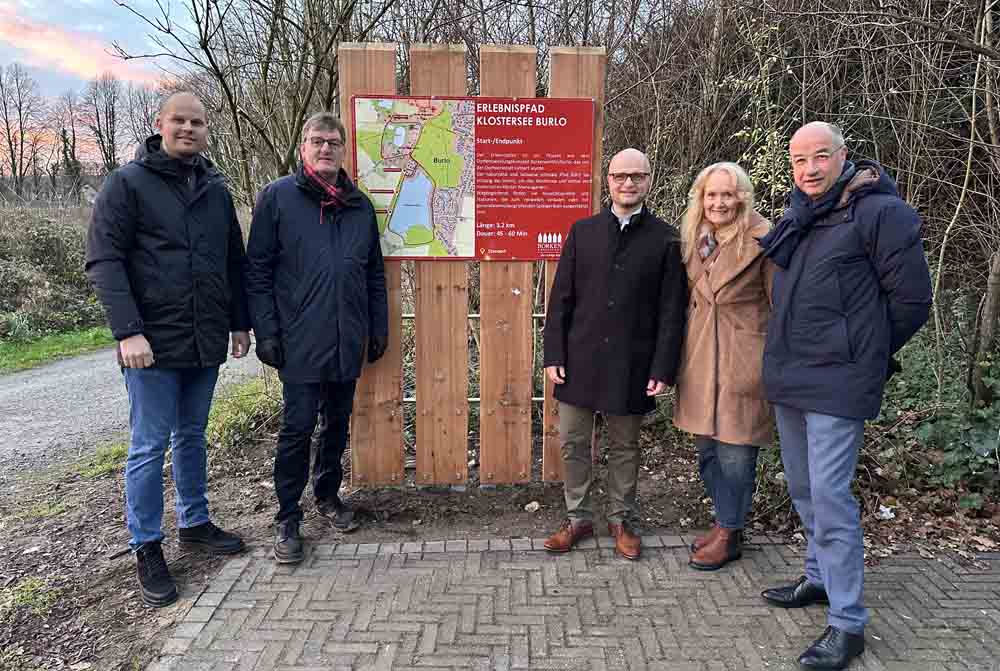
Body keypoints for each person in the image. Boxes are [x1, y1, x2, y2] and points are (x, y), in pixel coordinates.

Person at [758, 122, 932, 670]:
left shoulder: (881, 214)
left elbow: (911, 302)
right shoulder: (800, 217)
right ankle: (817, 577)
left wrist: (863, 351)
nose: (809, 169)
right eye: (798, 160)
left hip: (840, 377)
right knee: (805, 487)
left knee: (831, 497)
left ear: (844, 157)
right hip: (790, 374)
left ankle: (848, 623)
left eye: (820, 156)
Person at [86, 91, 251, 608]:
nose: (188, 129)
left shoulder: (215, 189)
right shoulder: (127, 184)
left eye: (197, 122)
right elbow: (105, 260)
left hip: (203, 340)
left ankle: (196, 523)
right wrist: (127, 331)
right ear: (159, 125)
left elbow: (232, 260)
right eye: (178, 120)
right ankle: (147, 545)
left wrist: (239, 323)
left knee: (193, 436)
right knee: (148, 446)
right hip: (150, 345)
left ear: (207, 130)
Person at [246, 111, 388, 565]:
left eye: (333, 142)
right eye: (316, 141)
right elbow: (258, 271)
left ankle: (327, 495)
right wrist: (265, 331)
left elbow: (372, 274)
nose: (325, 148)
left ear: (344, 150)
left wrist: (378, 326)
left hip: (347, 337)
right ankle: (287, 517)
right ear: (303, 147)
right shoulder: (277, 198)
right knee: (297, 428)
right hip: (299, 340)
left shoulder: (358, 205)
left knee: (337, 424)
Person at [542, 148, 687, 561]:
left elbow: (671, 311)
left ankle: (621, 519)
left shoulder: (666, 238)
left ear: (649, 180)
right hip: (579, 360)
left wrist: (663, 367)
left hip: (633, 363)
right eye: (621, 176)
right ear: (607, 180)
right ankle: (578, 518)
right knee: (572, 442)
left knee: (626, 446)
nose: (628, 183)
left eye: (637, 176)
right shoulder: (583, 231)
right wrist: (554, 353)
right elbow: (561, 301)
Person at [672, 162, 774, 571]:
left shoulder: (764, 240)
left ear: (742, 198)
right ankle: (725, 523)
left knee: (736, 455)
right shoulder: (694, 238)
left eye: (727, 195)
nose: (719, 203)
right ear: (701, 198)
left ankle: (730, 533)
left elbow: (779, 304)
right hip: (699, 358)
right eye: (711, 195)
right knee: (707, 452)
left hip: (742, 356)